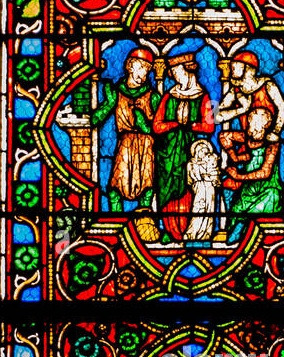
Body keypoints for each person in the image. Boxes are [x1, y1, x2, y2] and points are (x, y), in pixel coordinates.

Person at [90, 47, 161, 240]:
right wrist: (106, 104)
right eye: (140, 68)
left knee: (147, 189)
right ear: (130, 66)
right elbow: (96, 119)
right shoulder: (115, 91)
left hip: (146, 147)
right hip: (125, 144)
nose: (143, 74)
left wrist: (142, 121)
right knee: (114, 190)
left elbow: (158, 129)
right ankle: (115, 228)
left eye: (147, 70)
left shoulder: (153, 96)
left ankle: (145, 232)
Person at [152, 52, 214, 241]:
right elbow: (156, 125)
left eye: (176, 72)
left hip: (191, 152)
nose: (174, 76)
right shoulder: (168, 96)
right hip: (168, 152)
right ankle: (170, 231)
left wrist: (190, 126)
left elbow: (210, 126)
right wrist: (175, 125)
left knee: (191, 190)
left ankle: (191, 230)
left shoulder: (205, 97)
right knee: (167, 191)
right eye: (172, 73)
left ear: (188, 70)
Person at [221, 106, 284, 243]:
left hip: (268, 188)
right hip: (249, 188)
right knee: (237, 211)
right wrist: (234, 156)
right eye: (253, 122)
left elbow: (265, 172)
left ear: (267, 125)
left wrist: (239, 177)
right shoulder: (246, 138)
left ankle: (248, 232)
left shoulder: (272, 144)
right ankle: (239, 231)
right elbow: (224, 136)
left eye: (259, 123)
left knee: (267, 203)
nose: (255, 126)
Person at [185, 138, 219, 241]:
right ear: (196, 152)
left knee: (209, 210)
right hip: (199, 189)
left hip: (210, 189)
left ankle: (206, 234)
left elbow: (216, 177)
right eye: (201, 151)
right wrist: (202, 176)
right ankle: (192, 233)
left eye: (205, 150)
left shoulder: (211, 162)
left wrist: (212, 178)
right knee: (198, 208)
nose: (203, 152)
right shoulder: (191, 164)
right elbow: (191, 178)